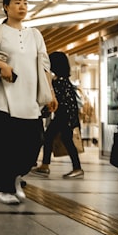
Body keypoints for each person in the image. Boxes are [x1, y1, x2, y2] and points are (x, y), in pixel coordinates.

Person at [0, 0, 57, 205]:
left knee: (33, 144)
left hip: (30, 100)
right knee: (4, 147)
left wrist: (50, 92)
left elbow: (44, 65)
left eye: (25, 3)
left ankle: (16, 176)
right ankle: (5, 189)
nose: (22, 6)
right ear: (6, 7)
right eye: (17, 2)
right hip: (2, 98)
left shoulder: (35, 34)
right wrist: (2, 65)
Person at [33, 51, 84, 179]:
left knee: (55, 139)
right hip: (65, 118)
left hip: (63, 118)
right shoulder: (65, 81)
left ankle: (75, 168)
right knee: (51, 138)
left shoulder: (59, 82)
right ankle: (46, 165)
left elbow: (54, 101)